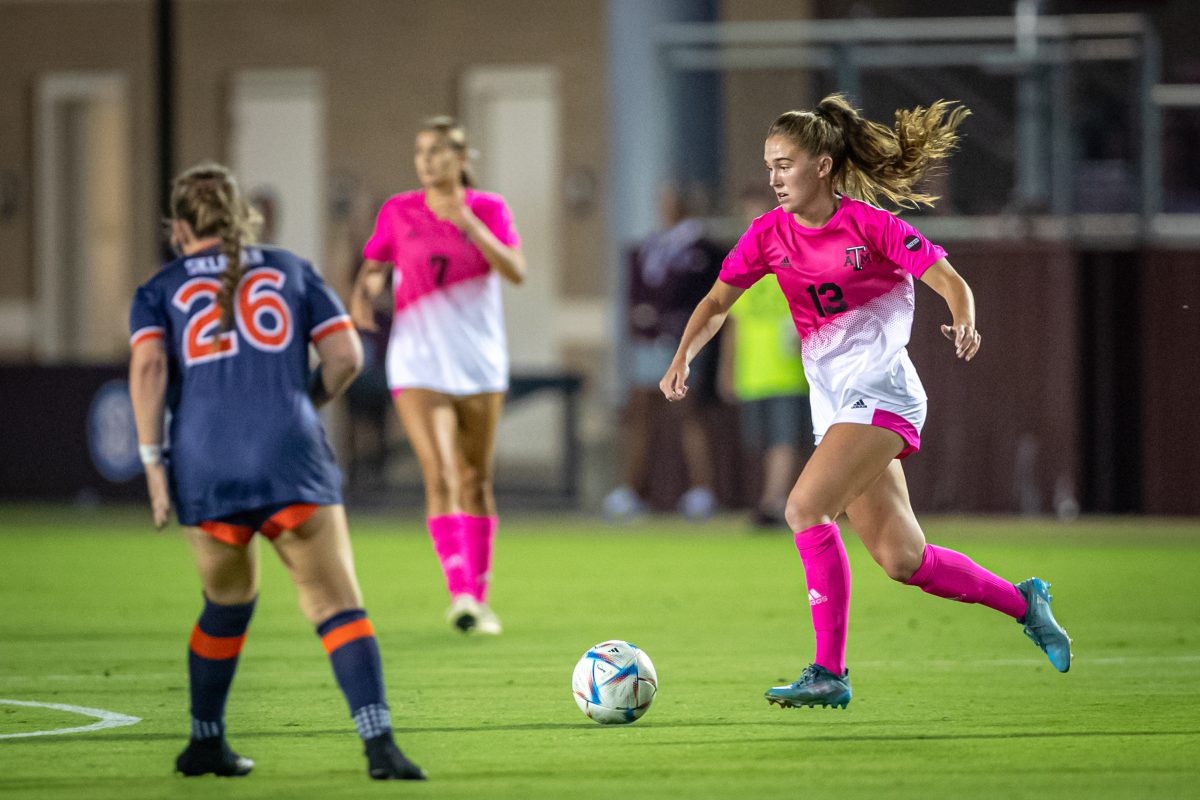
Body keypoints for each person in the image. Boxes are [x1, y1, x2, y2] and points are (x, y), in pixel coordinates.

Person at [659, 94, 1072, 709]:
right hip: (835, 404)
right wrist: (684, 352)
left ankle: (830, 671)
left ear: (823, 166)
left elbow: (947, 279)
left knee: (803, 508)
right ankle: (1025, 602)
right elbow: (718, 301)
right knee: (904, 559)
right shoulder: (767, 234)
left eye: (786, 164)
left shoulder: (870, 225)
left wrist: (963, 319)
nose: (774, 178)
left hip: (882, 392)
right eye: (769, 166)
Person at [128, 163, 425, 780]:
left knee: (226, 603)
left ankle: (206, 740)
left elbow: (151, 371)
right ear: (243, 215)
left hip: (205, 463)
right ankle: (379, 746)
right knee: (335, 603)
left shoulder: (160, 287)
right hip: (291, 455)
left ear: (179, 227)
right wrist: (300, 404)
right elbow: (346, 357)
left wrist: (155, 469)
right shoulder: (289, 268)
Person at [351, 117, 525, 635]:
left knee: (475, 478)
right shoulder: (398, 210)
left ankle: (479, 593)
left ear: (461, 157)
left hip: (477, 361)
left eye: (438, 151)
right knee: (441, 472)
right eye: (420, 151)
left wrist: (469, 225)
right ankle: (459, 594)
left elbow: (516, 271)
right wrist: (366, 290)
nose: (427, 160)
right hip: (417, 359)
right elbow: (373, 266)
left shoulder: (489, 208)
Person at [603, 183, 723, 522]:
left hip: (682, 340)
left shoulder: (704, 248)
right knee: (641, 411)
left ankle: (702, 489)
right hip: (649, 341)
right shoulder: (650, 246)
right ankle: (633, 489)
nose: (667, 207)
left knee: (688, 413)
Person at [719, 184, 814, 529]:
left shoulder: (797, 256)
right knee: (764, 443)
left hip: (787, 368)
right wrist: (726, 369)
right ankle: (777, 499)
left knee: (784, 439)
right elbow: (733, 321)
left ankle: (774, 502)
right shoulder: (741, 262)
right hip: (753, 370)